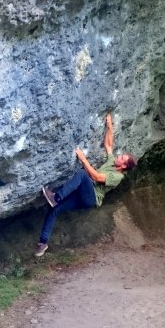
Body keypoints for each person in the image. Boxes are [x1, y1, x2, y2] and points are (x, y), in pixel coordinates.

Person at [34, 109, 137, 257]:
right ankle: (42, 244)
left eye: (122, 158)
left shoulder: (117, 176)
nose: (119, 156)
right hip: (85, 193)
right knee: (55, 210)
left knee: (83, 174)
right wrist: (109, 125)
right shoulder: (112, 163)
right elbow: (108, 144)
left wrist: (83, 158)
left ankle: (56, 197)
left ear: (124, 166)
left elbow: (95, 177)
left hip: (92, 198)